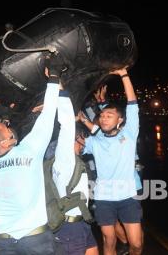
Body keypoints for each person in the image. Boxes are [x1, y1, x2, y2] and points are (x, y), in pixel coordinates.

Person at [0, 54, 64, 254]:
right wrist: (54, 75)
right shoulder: (30, 150)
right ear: (4, 142)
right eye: (3, 128)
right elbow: (48, 116)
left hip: (3, 244)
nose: (6, 125)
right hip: (35, 241)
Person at [80, 67, 143, 255]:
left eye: (109, 116)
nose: (104, 118)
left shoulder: (129, 133)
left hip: (128, 197)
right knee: (109, 240)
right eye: (102, 116)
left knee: (136, 245)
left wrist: (124, 75)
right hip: (103, 198)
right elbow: (79, 140)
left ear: (120, 120)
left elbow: (132, 103)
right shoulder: (94, 141)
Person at [52, 90, 98, 255]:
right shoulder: (66, 158)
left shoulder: (67, 159)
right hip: (70, 227)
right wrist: (59, 84)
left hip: (81, 222)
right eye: (84, 138)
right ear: (78, 138)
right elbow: (66, 124)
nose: (85, 143)